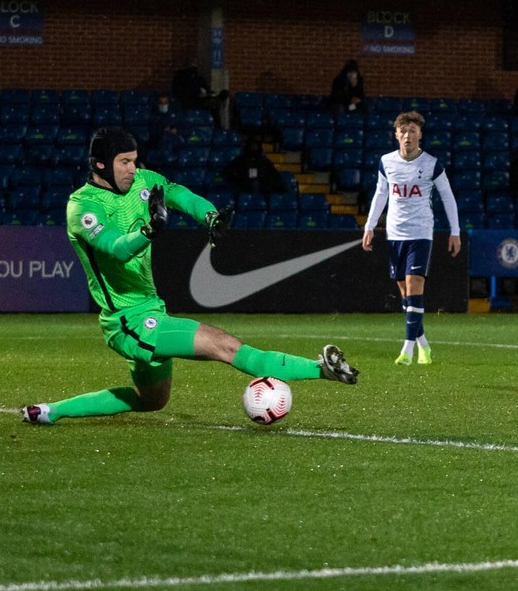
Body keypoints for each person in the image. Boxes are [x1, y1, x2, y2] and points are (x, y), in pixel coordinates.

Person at [21, 128, 358, 425]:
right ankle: (321, 369)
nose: (133, 169)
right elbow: (117, 249)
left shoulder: (143, 181)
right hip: (127, 321)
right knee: (225, 345)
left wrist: (209, 214)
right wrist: (150, 231)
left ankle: (50, 411)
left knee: (150, 400)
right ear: (100, 165)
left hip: (151, 309)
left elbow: (178, 193)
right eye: (124, 161)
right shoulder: (82, 206)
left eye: (135, 160)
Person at [361, 111, 462, 365]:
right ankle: (424, 345)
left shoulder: (431, 164)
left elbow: (448, 196)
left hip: (420, 233)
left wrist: (455, 231)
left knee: (414, 286)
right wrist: (370, 226)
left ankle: (407, 351)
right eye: (403, 131)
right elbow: (380, 194)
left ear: (420, 135)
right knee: (405, 293)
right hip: (394, 234)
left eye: (413, 131)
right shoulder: (387, 162)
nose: (408, 135)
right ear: (396, 135)